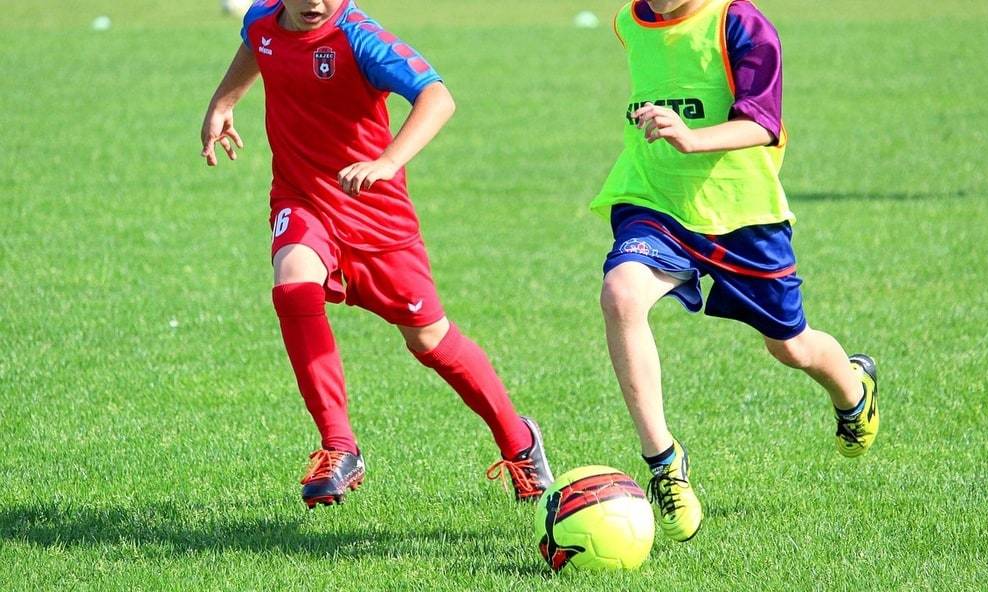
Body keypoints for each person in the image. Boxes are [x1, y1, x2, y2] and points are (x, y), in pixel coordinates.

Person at [200, 0, 552, 508]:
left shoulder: (361, 38)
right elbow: (257, 45)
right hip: (303, 199)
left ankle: (520, 443)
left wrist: (388, 161)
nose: (315, 4)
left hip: (376, 219)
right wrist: (223, 103)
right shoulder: (262, 18)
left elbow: (438, 97)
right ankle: (339, 446)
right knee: (293, 281)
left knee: (431, 341)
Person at [592, 0, 879, 541]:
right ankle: (663, 465)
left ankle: (853, 389)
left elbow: (764, 123)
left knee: (790, 346)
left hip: (743, 215)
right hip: (656, 201)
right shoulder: (628, 22)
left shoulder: (741, 23)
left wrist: (692, 136)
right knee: (621, 295)